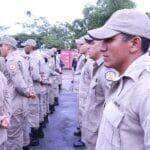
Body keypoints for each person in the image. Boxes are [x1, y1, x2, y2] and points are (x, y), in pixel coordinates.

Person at [88, 9, 150, 150]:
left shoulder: (146, 87)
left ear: (134, 43)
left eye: (109, 40)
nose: (102, 48)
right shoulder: (124, 78)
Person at [0, 36, 36, 150]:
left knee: (12, 136)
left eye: (1, 46)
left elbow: (18, 83)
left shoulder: (12, 60)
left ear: (7, 47)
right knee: (22, 131)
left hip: (15, 101)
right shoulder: (21, 58)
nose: (0, 48)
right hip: (22, 102)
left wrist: (27, 93)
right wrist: (29, 92)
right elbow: (28, 78)